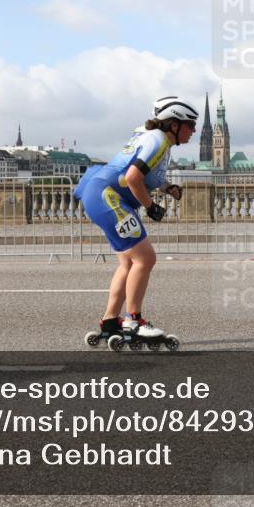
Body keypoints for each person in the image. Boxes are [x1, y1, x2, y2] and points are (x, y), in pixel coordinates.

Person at [74, 97, 199, 340]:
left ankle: (110, 321)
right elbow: (133, 177)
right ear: (173, 125)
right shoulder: (159, 141)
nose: (193, 130)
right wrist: (150, 206)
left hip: (101, 195)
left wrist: (167, 187)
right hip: (109, 198)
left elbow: (146, 174)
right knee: (145, 258)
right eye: (190, 124)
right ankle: (135, 321)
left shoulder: (153, 138)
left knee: (129, 263)